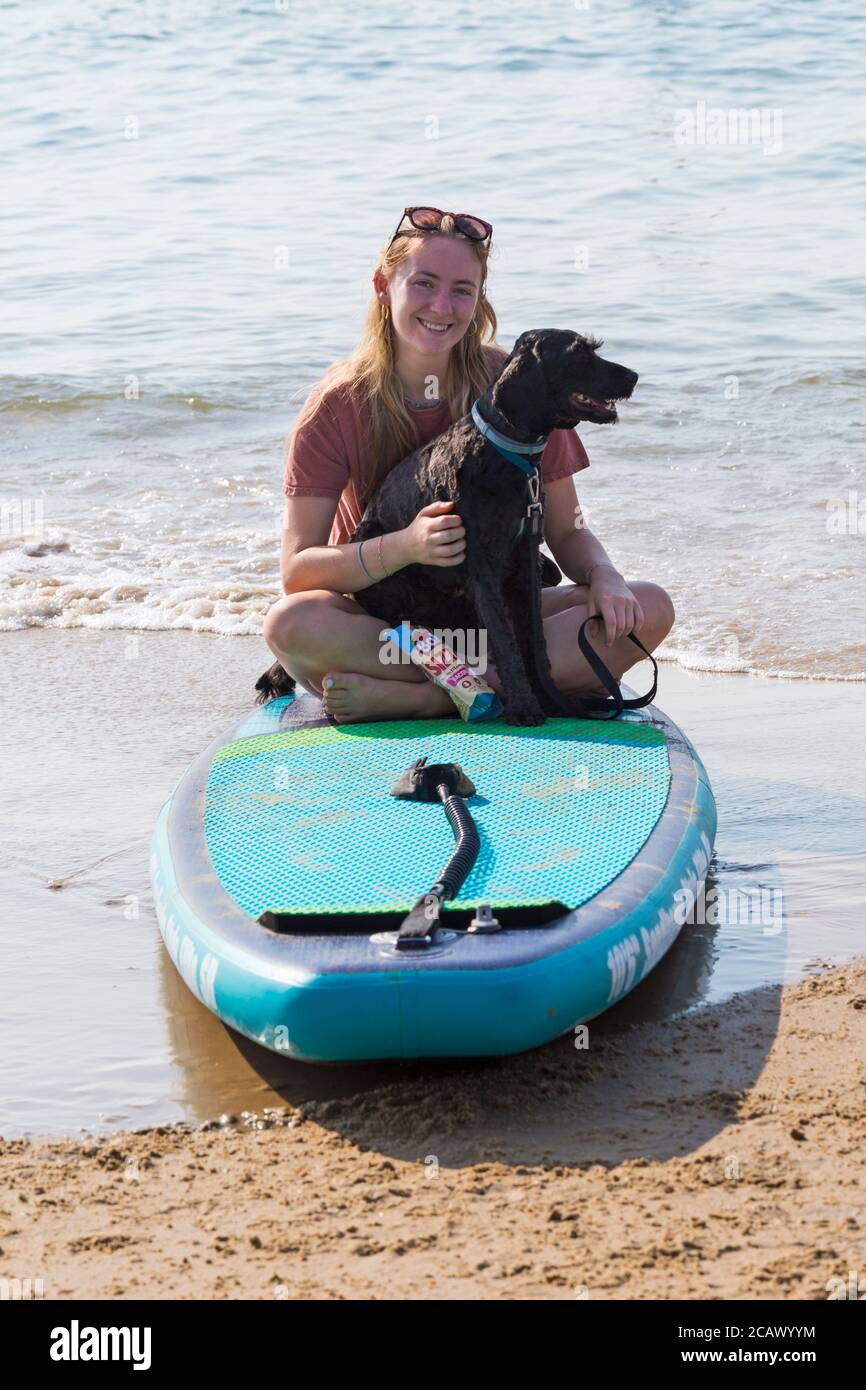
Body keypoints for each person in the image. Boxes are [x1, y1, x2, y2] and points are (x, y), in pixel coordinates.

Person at [263, 206, 674, 724]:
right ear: (383, 286)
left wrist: (606, 577)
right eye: (425, 283)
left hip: (493, 621)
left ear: (480, 300)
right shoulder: (338, 405)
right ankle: (491, 688)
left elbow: (567, 534)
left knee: (648, 607)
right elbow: (299, 572)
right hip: (396, 631)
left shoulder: (520, 382)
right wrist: (405, 546)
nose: (442, 305)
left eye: (462, 289)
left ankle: (430, 699)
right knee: (292, 622)